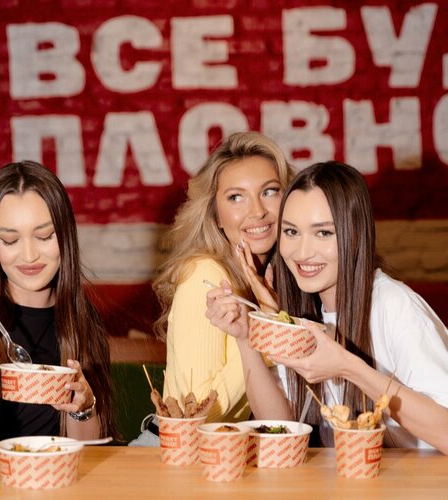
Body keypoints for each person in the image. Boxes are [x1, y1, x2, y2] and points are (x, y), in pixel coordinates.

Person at [206, 161, 448, 453]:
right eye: (291, 232)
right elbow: (280, 425)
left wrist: (349, 367)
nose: (303, 252)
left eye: (323, 233)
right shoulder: (303, 311)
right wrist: (245, 338)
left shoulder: (392, 305)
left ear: (354, 233)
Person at [0, 161, 114, 444]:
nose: (29, 255)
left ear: (66, 235)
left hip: (51, 471)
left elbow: (88, 451)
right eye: (10, 240)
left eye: (44, 236)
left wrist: (83, 407)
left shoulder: (82, 319)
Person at [153, 131, 293, 424]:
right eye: (236, 197)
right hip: (182, 446)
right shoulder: (205, 274)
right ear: (216, 215)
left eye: (269, 191)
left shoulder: (284, 279)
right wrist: (266, 329)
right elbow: (198, 413)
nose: (257, 211)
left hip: (239, 446)